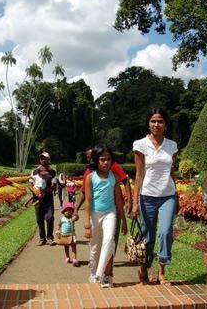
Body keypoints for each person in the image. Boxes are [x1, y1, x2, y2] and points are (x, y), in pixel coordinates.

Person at [131, 107, 178, 285]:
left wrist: (177, 195)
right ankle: (144, 266)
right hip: (147, 196)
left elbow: (171, 171)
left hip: (168, 195)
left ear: (165, 125)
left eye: (160, 121)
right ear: (149, 124)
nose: (156, 124)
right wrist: (135, 202)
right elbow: (139, 174)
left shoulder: (171, 145)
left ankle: (161, 271)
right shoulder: (140, 144)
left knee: (165, 231)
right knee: (148, 237)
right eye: (153, 121)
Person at [75, 146, 132, 284]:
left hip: (110, 213)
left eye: (108, 159)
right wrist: (87, 224)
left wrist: (123, 221)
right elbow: (88, 202)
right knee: (95, 248)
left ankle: (104, 275)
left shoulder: (114, 178)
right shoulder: (90, 177)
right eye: (102, 160)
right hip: (95, 214)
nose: (106, 163)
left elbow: (118, 200)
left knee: (109, 241)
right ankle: (93, 272)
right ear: (96, 161)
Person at [28, 152, 57, 246]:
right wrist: (35, 191)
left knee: (49, 218)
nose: (43, 160)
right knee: (39, 219)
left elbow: (53, 186)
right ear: (40, 160)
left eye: (45, 158)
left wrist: (43, 192)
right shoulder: (35, 171)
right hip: (37, 198)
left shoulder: (52, 172)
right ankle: (42, 238)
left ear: (49, 160)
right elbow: (30, 184)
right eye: (42, 158)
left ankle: (49, 237)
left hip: (48, 198)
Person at [55, 202, 80, 267]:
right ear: (63, 211)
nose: (68, 212)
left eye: (70, 210)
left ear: (72, 211)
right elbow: (58, 225)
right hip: (64, 235)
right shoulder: (62, 218)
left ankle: (74, 258)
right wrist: (57, 230)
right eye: (66, 210)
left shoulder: (72, 218)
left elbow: (77, 218)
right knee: (66, 246)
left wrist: (76, 214)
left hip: (72, 234)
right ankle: (68, 257)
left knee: (73, 246)